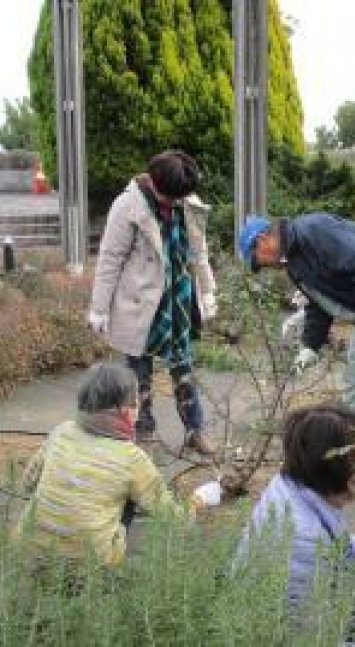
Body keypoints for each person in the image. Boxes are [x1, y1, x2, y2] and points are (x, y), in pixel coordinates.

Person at [238, 213, 355, 442]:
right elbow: (319, 303)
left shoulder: (316, 230)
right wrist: (310, 345)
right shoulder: (294, 261)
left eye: (258, 260)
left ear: (262, 241)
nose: (264, 266)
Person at [237, 405, 355, 617]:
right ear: (341, 472)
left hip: (281, 600)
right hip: (274, 625)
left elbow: (341, 543)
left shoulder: (294, 482)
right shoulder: (305, 537)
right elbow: (308, 633)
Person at [88, 151, 217, 455]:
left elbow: (199, 251)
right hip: (141, 300)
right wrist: (99, 307)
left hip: (179, 297)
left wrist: (208, 289)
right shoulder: (128, 206)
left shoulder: (188, 201)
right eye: (171, 198)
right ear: (157, 184)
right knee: (137, 371)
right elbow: (110, 258)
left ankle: (195, 429)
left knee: (183, 367)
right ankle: (143, 430)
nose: (176, 203)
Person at [15, 363, 188, 566]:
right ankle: (105, 562)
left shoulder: (61, 431)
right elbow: (169, 516)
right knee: (132, 494)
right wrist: (197, 502)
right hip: (89, 564)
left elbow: (27, 483)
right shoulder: (132, 458)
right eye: (136, 402)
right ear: (125, 410)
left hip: (29, 551)